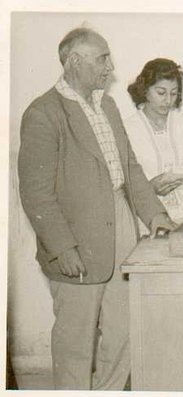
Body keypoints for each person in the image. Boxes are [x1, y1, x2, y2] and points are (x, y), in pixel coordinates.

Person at [17, 27, 174, 390]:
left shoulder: (107, 104)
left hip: (121, 224)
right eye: (102, 58)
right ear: (74, 61)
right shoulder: (43, 113)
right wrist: (63, 247)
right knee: (76, 342)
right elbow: (36, 193)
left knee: (125, 332)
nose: (111, 66)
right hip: (76, 238)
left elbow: (129, 166)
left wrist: (155, 214)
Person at [125, 58, 183, 231]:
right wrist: (150, 188)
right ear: (145, 90)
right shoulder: (127, 129)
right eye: (161, 92)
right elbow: (125, 182)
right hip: (149, 215)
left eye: (173, 93)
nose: (168, 100)